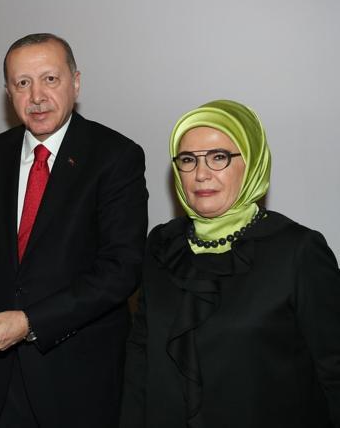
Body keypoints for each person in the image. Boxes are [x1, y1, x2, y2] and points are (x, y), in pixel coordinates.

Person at [0, 33, 149, 427]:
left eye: (50, 79)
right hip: (2, 378)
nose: (36, 96)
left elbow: (121, 270)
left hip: (78, 379)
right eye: (22, 83)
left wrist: (30, 322)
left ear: (76, 82)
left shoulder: (116, 156)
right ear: (8, 92)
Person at [120, 99, 340, 427]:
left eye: (219, 157)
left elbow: (334, 370)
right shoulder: (162, 244)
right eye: (188, 160)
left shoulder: (298, 250)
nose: (201, 174)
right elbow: (140, 357)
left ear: (251, 163)